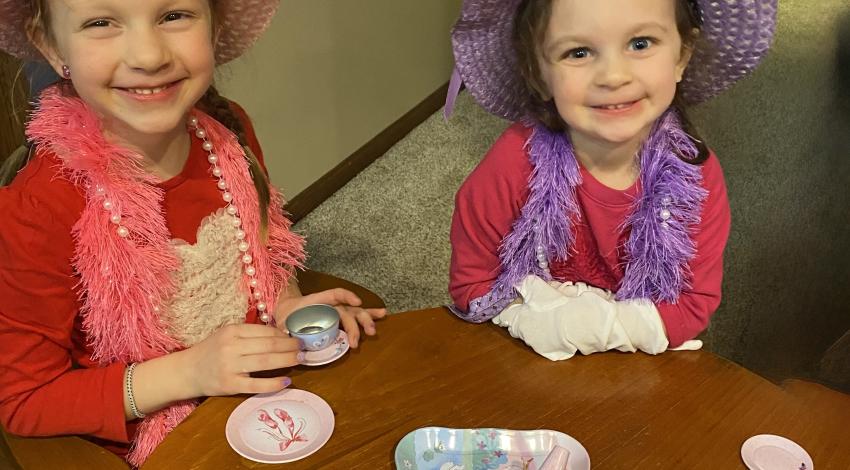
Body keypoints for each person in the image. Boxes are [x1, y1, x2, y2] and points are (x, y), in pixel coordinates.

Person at [0, 0, 385, 465]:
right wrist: (190, 372)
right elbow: (24, 401)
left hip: (261, 394)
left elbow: (255, 250)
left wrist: (285, 304)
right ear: (50, 44)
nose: (148, 55)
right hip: (159, 441)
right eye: (100, 23)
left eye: (173, 15)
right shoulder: (36, 208)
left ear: (215, 24)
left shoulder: (228, 131)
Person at [446, 0, 776, 361]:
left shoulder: (696, 178)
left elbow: (693, 306)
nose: (613, 76)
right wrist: (530, 320)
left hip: (644, 364)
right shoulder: (512, 162)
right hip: (533, 359)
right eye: (579, 51)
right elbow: (472, 284)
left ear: (682, 56)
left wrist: (594, 326)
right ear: (539, 74)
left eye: (640, 43)